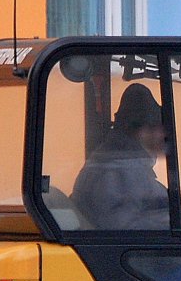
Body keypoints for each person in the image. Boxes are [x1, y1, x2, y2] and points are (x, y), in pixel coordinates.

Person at [72, 83, 170, 230]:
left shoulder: (124, 163)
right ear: (141, 131)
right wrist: (177, 226)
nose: (163, 135)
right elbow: (125, 230)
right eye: (156, 127)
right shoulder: (119, 170)